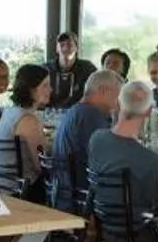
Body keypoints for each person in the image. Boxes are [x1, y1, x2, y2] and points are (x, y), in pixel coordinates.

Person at [88, 80, 158, 242]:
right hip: (138, 237)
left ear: (118, 103)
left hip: (103, 227)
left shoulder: (96, 139)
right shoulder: (150, 159)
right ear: (149, 112)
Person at [49, 69, 119, 211]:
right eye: (118, 96)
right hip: (83, 200)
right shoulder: (91, 115)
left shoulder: (75, 110)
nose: (118, 104)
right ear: (105, 91)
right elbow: (110, 162)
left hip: (64, 194)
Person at [0, 64, 54, 196]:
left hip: (3, 186)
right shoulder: (27, 120)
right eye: (45, 85)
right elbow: (41, 165)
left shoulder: (11, 112)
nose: (50, 90)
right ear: (31, 89)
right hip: (22, 192)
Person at [46, 33, 95, 109]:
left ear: (77, 48)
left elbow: (96, 92)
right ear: (57, 49)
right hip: (50, 114)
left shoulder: (88, 68)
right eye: (62, 45)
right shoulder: (46, 69)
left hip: (78, 114)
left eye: (69, 45)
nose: (65, 48)